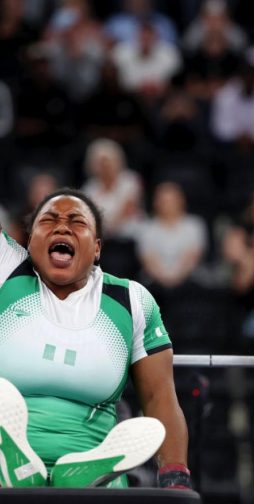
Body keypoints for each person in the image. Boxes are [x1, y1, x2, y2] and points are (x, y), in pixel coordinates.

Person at [0, 187, 190, 489]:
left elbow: (159, 397)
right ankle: (19, 465)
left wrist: (175, 474)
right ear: (29, 241)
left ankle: (86, 470)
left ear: (98, 247)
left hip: (89, 464)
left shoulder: (131, 299)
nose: (62, 226)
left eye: (77, 222)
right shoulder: (6, 267)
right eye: (48, 221)